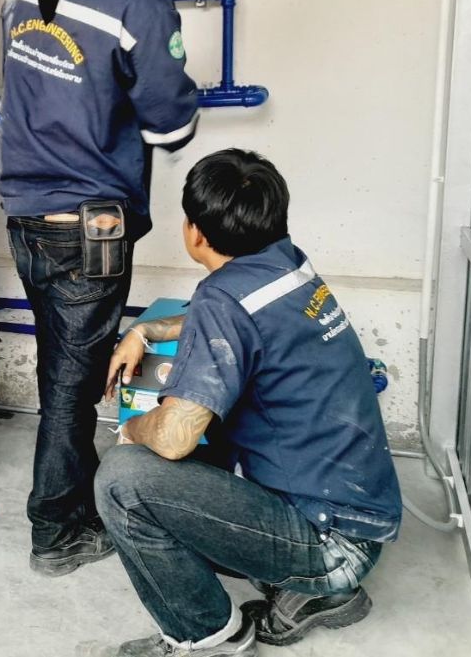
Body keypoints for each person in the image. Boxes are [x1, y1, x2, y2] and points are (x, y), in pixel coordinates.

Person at [90, 149, 402, 657]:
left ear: (194, 232)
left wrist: (133, 430)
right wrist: (147, 331)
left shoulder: (224, 299)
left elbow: (173, 438)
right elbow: (234, 320)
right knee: (204, 448)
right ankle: (313, 595)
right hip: (357, 523)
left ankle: (209, 638)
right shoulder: (286, 264)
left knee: (124, 480)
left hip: (328, 544)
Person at [0, 0, 200, 577]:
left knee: (61, 370)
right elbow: (172, 127)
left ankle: (74, 505)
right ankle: (56, 532)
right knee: (72, 387)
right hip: (89, 227)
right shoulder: (138, 2)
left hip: (25, 214)